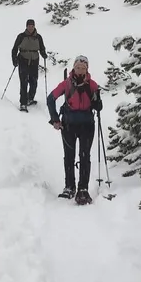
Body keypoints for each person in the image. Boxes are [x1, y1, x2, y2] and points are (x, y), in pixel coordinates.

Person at [46, 55, 102, 204]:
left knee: (85, 156)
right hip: (69, 125)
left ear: (87, 69)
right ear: (74, 68)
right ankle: (69, 187)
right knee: (69, 156)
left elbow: (98, 106)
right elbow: (50, 98)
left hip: (87, 125)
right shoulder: (66, 84)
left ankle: (82, 189)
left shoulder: (93, 85)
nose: (80, 70)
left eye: (83, 68)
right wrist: (55, 120)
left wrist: (98, 102)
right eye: (78, 67)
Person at [10, 19, 47, 111]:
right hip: (23, 59)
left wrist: (43, 54)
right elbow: (14, 49)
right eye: (29, 26)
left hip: (34, 60)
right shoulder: (21, 36)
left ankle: (30, 98)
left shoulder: (38, 37)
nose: (30, 27)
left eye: (32, 26)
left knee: (34, 81)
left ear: (34, 26)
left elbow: (42, 48)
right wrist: (14, 60)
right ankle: (23, 103)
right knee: (24, 81)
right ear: (26, 26)